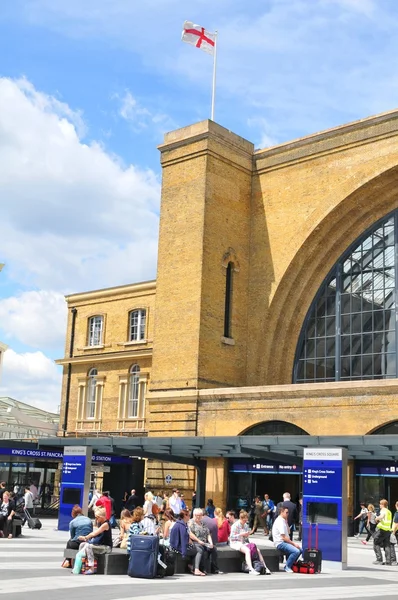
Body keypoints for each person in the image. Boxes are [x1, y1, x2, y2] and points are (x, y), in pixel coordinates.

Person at [72, 506, 112, 575]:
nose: (96, 519)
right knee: (82, 544)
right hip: (100, 545)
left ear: (101, 517)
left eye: (97, 517)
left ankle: (91, 568)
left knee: (89, 546)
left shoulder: (106, 524)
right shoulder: (100, 523)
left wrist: (85, 537)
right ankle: (81, 565)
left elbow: (95, 533)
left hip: (106, 547)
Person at [170, 508, 203, 576]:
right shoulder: (182, 525)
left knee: (196, 547)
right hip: (177, 547)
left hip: (177, 545)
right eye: (188, 515)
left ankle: (193, 566)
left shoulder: (181, 523)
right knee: (198, 550)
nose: (189, 517)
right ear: (185, 515)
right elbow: (183, 540)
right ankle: (195, 569)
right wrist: (184, 553)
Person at [229, 510, 260, 576]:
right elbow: (231, 537)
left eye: (246, 520)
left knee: (257, 549)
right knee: (247, 550)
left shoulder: (245, 525)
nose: (245, 522)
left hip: (243, 542)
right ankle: (251, 569)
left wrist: (246, 535)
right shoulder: (235, 525)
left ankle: (264, 566)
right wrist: (241, 534)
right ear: (241, 518)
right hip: (235, 542)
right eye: (244, 520)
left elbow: (246, 538)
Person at [272, 505, 301, 573]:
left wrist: (286, 522)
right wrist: (293, 544)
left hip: (284, 542)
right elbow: (283, 537)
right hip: (280, 543)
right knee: (296, 551)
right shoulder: (279, 521)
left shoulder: (283, 520)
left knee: (300, 550)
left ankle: (292, 564)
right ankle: (287, 566)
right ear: (282, 512)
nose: (288, 514)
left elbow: (288, 532)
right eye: (286, 512)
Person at [373, 499, 393, 565]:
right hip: (388, 530)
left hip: (382, 530)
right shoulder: (389, 511)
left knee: (375, 542)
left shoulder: (383, 510)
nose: (379, 505)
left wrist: (376, 518)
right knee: (387, 545)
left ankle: (379, 559)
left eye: (380, 504)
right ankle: (388, 561)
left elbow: (381, 517)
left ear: (382, 505)